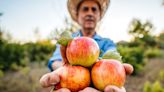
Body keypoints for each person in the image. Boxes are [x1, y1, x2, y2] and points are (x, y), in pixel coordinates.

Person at [40, 0, 134, 92]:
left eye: (94, 9)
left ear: (99, 15)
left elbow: (113, 62)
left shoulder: (107, 42)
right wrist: (65, 72)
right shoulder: (68, 42)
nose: (90, 13)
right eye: (85, 9)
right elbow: (55, 61)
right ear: (77, 15)